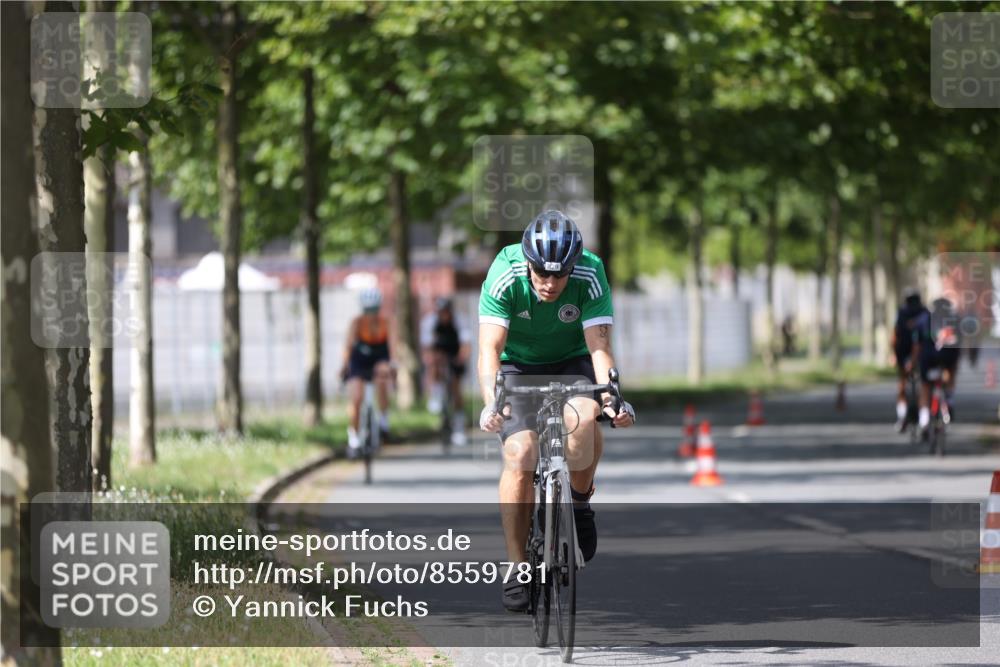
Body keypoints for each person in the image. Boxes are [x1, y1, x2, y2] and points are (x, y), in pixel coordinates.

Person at [478, 210, 635, 612]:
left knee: (582, 420)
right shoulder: (505, 273)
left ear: (573, 265)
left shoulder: (590, 272)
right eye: (542, 274)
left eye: (559, 275)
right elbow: (489, 351)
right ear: (528, 262)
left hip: (572, 360)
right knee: (520, 454)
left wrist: (612, 399)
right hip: (516, 365)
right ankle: (517, 566)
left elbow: (599, 348)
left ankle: (579, 504)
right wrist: (491, 403)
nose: (550, 284)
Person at [340, 287, 392, 457]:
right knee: (356, 397)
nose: (371, 315)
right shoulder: (356, 323)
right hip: (359, 361)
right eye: (367, 311)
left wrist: (393, 366)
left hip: (380, 359)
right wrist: (344, 366)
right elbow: (347, 346)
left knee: (383, 378)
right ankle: (353, 438)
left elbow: (393, 346)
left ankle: (383, 421)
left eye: (374, 310)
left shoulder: (387, 323)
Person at [421, 296, 472, 446]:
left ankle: (459, 428)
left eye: (445, 312)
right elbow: (427, 347)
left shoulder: (459, 321)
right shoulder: (429, 322)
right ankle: (435, 394)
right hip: (439, 352)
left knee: (456, 390)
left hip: (455, 353)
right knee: (433, 364)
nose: (443, 315)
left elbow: (466, 344)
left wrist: (461, 358)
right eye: (440, 312)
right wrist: (430, 359)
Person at [892, 289, 930, 432]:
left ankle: (903, 417)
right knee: (923, 386)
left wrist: (894, 354)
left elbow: (895, 335)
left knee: (904, 384)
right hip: (916, 352)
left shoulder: (901, 313)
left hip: (908, 351)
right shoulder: (924, 313)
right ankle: (921, 418)